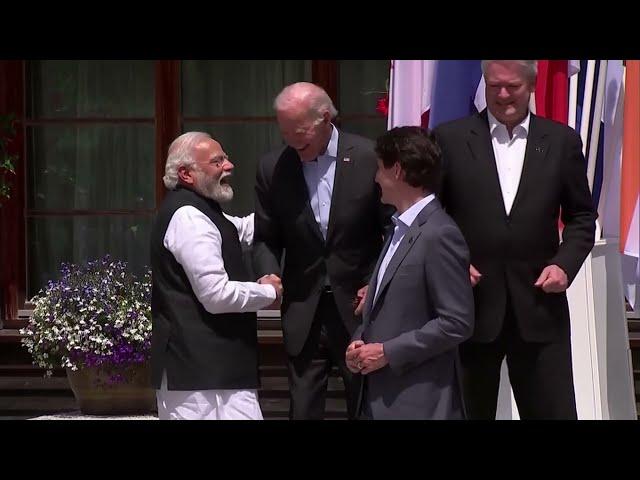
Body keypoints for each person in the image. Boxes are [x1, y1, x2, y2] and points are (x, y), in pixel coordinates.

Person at [433, 60, 596, 419]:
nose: (503, 95)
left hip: (539, 306)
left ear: (531, 86)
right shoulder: (450, 138)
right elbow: (430, 215)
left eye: (512, 87)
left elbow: (582, 216)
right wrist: (452, 263)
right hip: (467, 309)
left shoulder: (561, 140)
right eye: (494, 86)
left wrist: (564, 265)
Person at [252, 82, 392, 419]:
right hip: (304, 310)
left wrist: (377, 282)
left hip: (360, 307)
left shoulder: (369, 158)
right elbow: (265, 237)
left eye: (299, 133)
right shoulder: (274, 167)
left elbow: (393, 230)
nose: (291, 142)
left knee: (365, 406)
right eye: (284, 132)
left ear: (325, 118)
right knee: (303, 410)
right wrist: (267, 272)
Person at [150, 131, 283, 420]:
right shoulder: (189, 217)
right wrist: (269, 292)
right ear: (186, 174)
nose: (229, 165)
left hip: (214, 375)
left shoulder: (202, 212)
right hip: (200, 382)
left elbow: (238, 230)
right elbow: (216, 295)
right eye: (217, 161)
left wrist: (291, 217)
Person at [345, 126, 474, 420]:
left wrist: (388, 352)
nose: (376, 178)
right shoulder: (398, 231)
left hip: (419, 403)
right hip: (381, 399)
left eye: (380, 168)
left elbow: (456, 322)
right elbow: (384, 307)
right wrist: (359, 341)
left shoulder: (439, 234)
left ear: (398, 171)